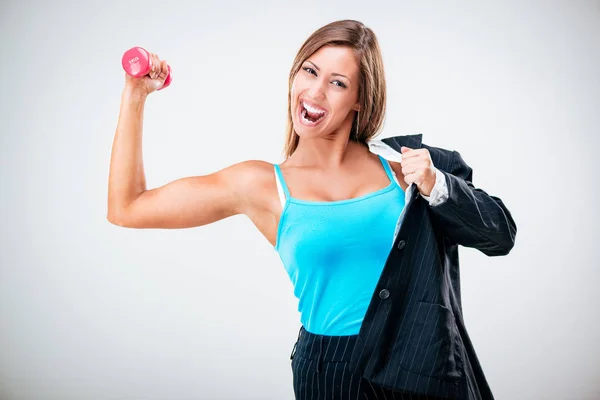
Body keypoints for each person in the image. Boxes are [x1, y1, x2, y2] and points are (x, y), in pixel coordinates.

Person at [107, 19, 516, 400]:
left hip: (421, 361)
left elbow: (501, 235)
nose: (315, 92)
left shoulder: (407, 168)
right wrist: (135, 95)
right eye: (309, 71)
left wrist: (436, 185)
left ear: (360, 100)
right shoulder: (261, 185)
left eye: (338, 82)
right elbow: (127, 207)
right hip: (330, 370)